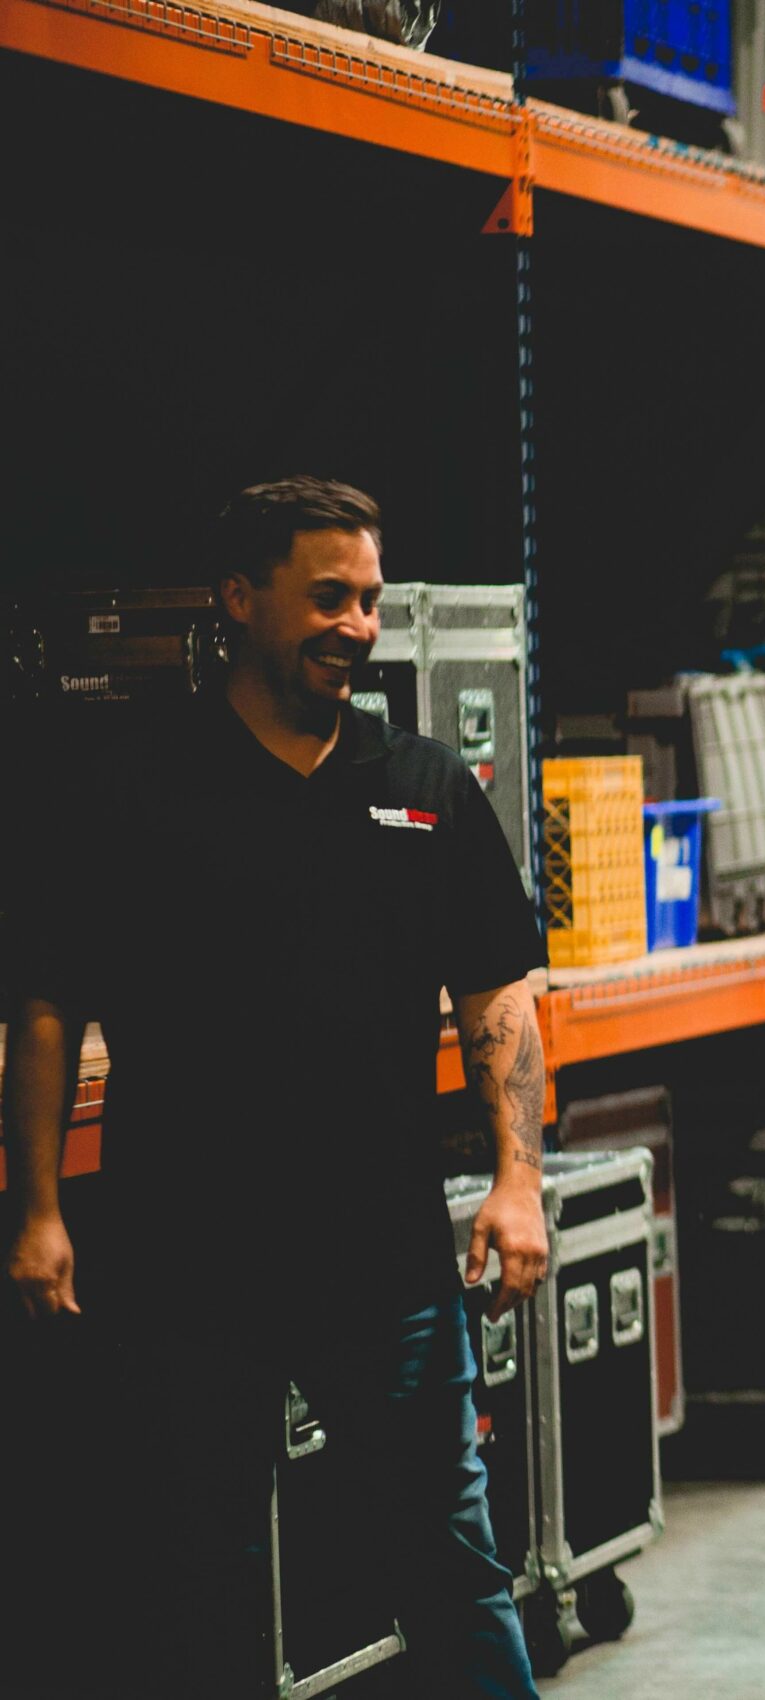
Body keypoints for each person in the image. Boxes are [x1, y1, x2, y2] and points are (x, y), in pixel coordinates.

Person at [2, 478, 550, 1698]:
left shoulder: (425, 784)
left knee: (453, 1571)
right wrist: (38, 1209)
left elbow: (498, 1000)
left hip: (386, 1263)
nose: (357, 625)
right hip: (185, 1266)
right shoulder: (133, 785)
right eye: (327, 596)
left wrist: (519, 1178)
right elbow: (47, 1003)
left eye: (369, 599)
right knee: (197, 1582)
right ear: (239, 597)